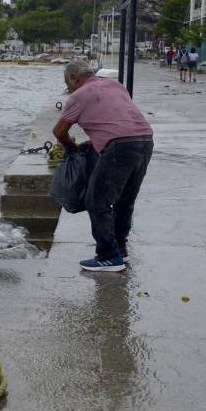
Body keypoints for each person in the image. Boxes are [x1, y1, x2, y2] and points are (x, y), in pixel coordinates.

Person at [52, 61, 154, 272]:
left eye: (68, 85)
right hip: (144, 141)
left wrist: (72, 148)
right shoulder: (115, 86)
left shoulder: (78, 95)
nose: (69, 90)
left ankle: (108, 255)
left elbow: (59, 131)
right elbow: (116, 117)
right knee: (125, 200)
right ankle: (120, 249)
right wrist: (96, 140)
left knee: (96, 200)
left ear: (73, 78)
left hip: (120, 148)